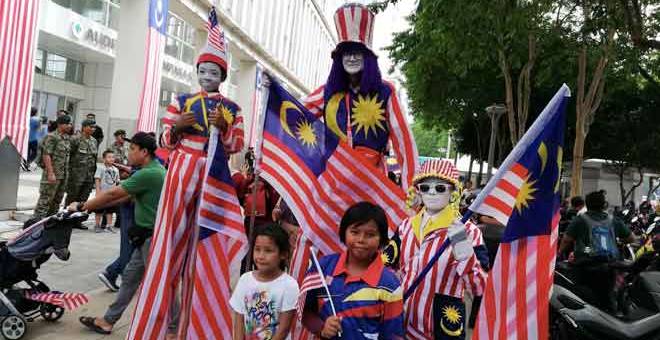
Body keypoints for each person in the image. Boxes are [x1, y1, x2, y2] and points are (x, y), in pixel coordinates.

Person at [129, 9, 244, 335]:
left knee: (205, 254)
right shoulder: (180, 100)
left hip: (214, 178)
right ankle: (150, 328)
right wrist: (178, 127)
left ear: (222, 75)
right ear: (196, 72)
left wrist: (224, 129)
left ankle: (196, 329)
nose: (207, 75)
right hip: (181, 174)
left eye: (213, 71)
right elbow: (164, 140)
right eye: (203, 70)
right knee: (167, 250)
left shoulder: (233, 108)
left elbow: (237, 146)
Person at [73, 132, 166, 335]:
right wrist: (91, 208)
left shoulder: (148, 173)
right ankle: (108, 321)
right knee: (130, 280)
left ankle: (175, 330)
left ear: (144, 152)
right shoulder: (151, 171)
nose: (128, 153)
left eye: (132, 149)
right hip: (145, 239)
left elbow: (113, 193)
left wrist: (81, 205)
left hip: (152, 241)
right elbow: (122, 198)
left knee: (163, 286)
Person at [391, 160, 487, 339]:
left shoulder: (469, 231)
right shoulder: (406, 226)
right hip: (401, 323)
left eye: (440, 188)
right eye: (425, 187)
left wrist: (464, 252)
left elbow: (480, 287)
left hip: (440, 327)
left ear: (452, 192)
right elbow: (387, 267)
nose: (432, 192)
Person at [300, 202, 404, 339]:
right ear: (344, 232)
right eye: (354, 232)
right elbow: (304, 311)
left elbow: (393, 335)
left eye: (370, 235)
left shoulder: (389, 284)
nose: (361, 240)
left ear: (382, 239)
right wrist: (322, 328)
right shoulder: (323, 267)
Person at [559, 190, 635, 312]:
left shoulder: (580, 220)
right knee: (607, 297)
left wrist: (559, 253)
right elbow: (631, 238)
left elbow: (566, 240)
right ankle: (611, 322)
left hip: (584, 265)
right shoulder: (613, 220)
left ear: (587, 204)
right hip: (609, 266)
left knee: (582, 297)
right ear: (604, 204)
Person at [230, 224, 299, 340]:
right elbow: (239, 322)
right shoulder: (244, 280)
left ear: (283, 254)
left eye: (268, 251)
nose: (261, 256)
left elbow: (283, 329)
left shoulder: (289, 285)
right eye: (257, 249)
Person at [33, 115, 72, 218]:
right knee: (45, 200)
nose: (69, 126)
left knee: (57, 201)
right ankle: (36, 224)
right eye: (67, 124)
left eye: (70, 124)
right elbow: (46, 155)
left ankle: (49, 224)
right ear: (59, 124)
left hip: (63, 175)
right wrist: (50, 173)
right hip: (52, 174)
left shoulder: (66, 138)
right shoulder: (52, 137)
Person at [65, 119, 99, 229]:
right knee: (72, 198)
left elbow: (93, 159)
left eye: (94, 127)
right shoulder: (75, 139)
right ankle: (66, 220)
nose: (93, 129)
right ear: (84, 127)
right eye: (90, 127)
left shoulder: (94, 141)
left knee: (83, 199)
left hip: (89, 176)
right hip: (76, 175)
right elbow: (68, 156)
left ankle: (77, 221)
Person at [93, 150, 120, 233]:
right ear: (104, 159)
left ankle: (108, 226)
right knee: (99, 210)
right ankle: (97, 225)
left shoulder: (116, 169)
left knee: (110, 210)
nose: (111, 159)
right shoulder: (101, 168)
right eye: (109, 157)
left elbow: (117, 181)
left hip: (111, 194)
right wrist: (98, 191)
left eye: (113, 157)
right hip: (102, 193)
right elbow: (97, 179)